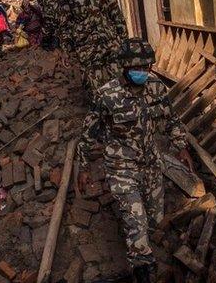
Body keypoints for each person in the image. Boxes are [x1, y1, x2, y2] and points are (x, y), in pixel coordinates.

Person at [77, 42, 194, 283]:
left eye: (146, 66)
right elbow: (89, 133)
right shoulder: (107, 95)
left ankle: (146, 251)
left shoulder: (155, 88)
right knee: (137, 221)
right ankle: (143, 271)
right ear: (124, 67)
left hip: (151, 164)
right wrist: (84, 166)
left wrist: (182, 147)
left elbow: (170, 119)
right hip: (121, 168)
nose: (142, 70)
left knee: (154, 217)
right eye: (136, 67)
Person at [60, 0, 128, 96]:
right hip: (86, 49)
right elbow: (64, 24)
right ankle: (100, 118)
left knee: (119, 87)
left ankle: (118, 118)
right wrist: (66, 51)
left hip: (111, 44)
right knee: (95, 93)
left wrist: (124, 40)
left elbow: (115, 13)